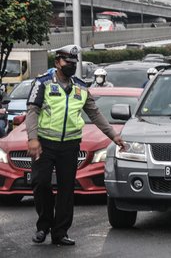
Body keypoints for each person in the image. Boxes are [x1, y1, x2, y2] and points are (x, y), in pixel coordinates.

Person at [26, 45, 125, 245]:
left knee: (66, 189)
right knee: (41, 183)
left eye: (73, 63)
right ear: (57, 63)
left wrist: (114, 136)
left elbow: (95, 113)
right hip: (44, 144)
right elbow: (32, 111)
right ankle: (43, 225)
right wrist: (32, 138)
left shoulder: (80, 87)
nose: (70, 66)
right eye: (66, 62)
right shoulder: (42, 83)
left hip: (69, 146)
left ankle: (60, 232)